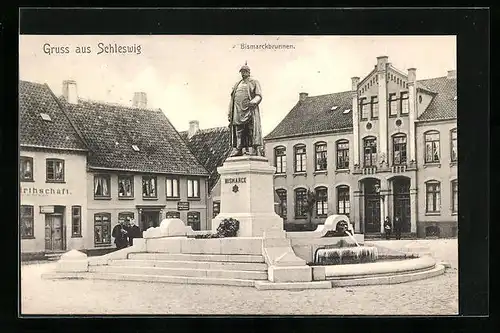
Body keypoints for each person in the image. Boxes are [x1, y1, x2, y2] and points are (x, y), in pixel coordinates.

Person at [228, 62, 264, 157]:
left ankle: (254, 149)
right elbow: (232, 98)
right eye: (242, 72)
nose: (243, 73)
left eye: (245, 71)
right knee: (238, 129)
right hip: (237, 110)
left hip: (249, 109)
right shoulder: (237, 84)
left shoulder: (254, 82)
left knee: (251, 129)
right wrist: (229, 112)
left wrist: (253, 102)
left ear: (249, 72)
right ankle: (239, 148)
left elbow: (259, 95)